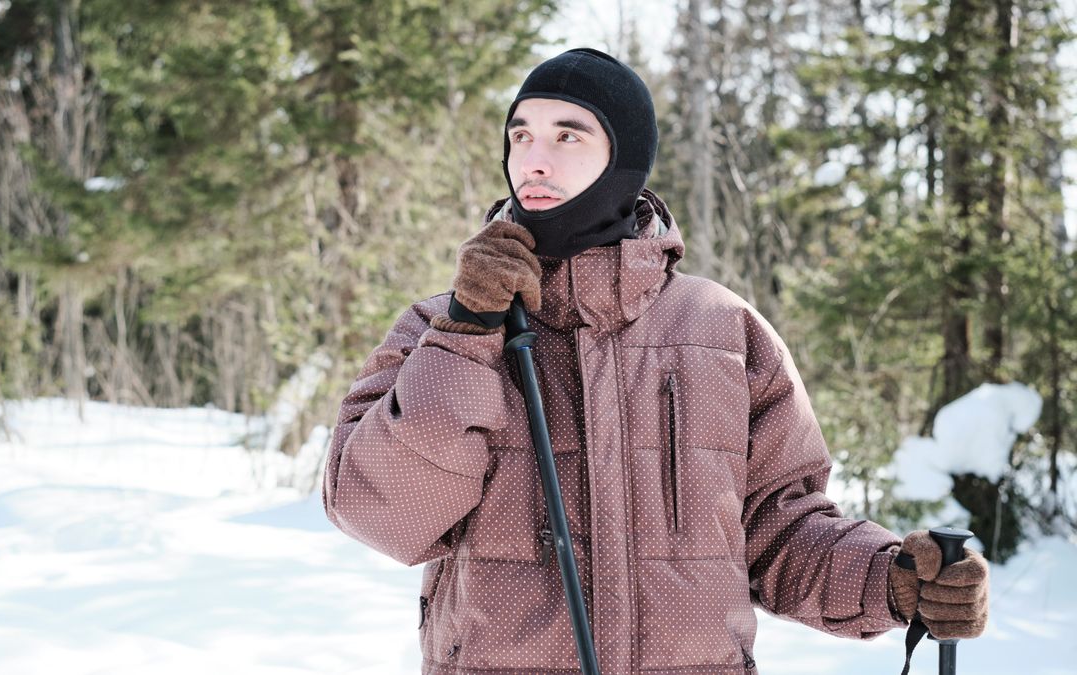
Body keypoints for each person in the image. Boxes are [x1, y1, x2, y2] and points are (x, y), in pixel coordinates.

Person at [322, 48, 989, 674]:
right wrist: (468, 332)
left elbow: (778, 530)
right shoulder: (440, 327)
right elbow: (380, 511)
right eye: (520, 135)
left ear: (625, 160)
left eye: (568, 135)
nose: (534, 159)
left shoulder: (724, 331)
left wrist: (890, 578)